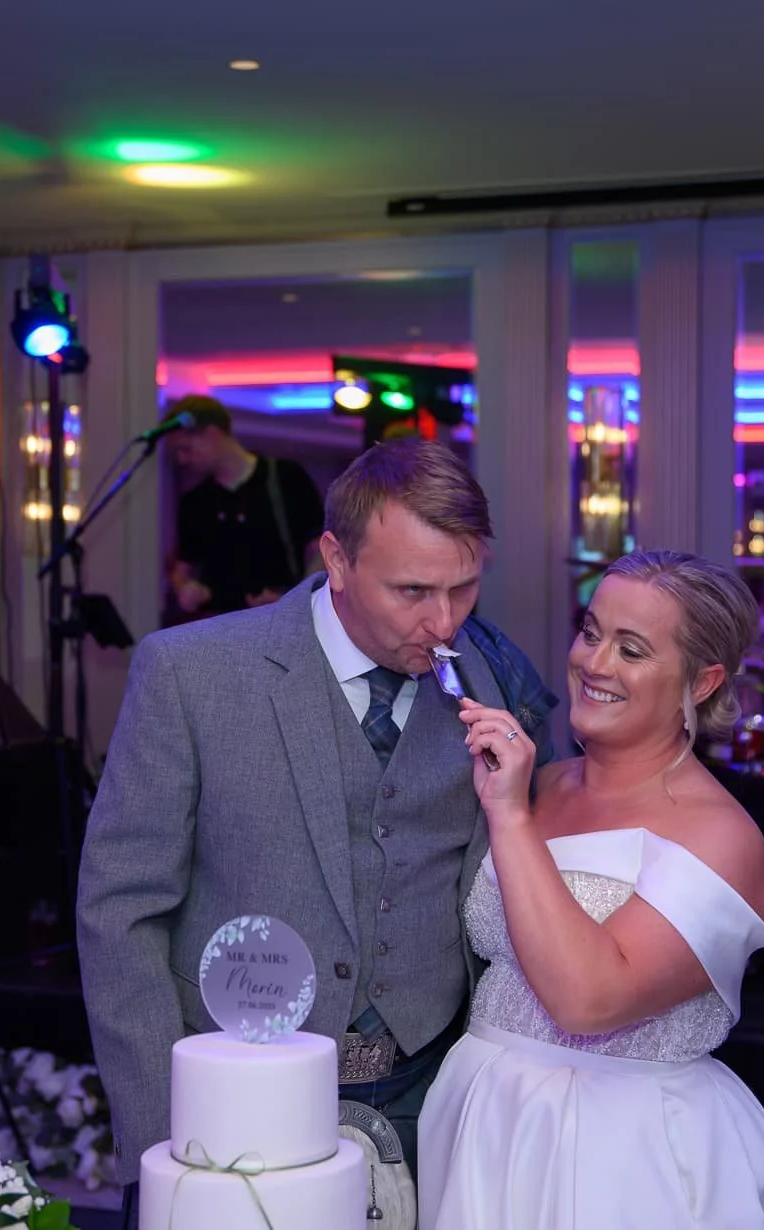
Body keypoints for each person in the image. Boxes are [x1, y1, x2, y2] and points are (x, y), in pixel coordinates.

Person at [76, 438, 559, 1216]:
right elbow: (120, 911)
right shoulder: (190, 674)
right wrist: (162, 1139)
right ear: (335, 559)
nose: (443, 623)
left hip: (432, 1096)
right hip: (235, 1096)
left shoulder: (494, 675)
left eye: (464, 588)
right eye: (412, 591)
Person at [417, 550, 764, 1230]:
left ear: (702, 680)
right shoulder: (541, 783)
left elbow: (589, 999)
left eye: (631, 650)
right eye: (590, 632)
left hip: (623, 1155)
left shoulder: (722, 836)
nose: (594, 663)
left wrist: (510, 818)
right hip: (482, 1119)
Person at [161, 393, 325, 623]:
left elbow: (320, 550)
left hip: (280, 623)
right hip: (219, 626)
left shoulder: (285, 477)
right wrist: (185, 589)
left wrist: (294, 601)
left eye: (186, 448)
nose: (182, 459)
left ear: (211, 434)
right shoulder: (195, 501)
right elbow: (182, 567)